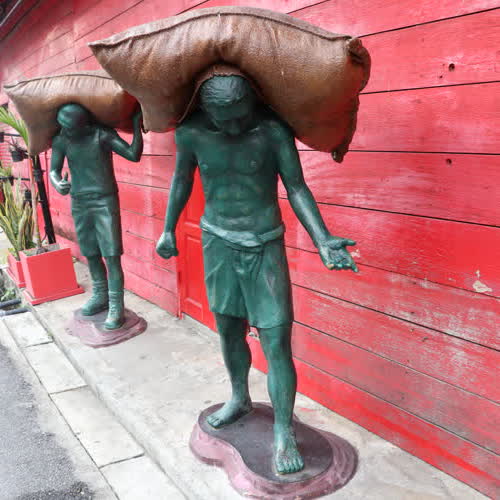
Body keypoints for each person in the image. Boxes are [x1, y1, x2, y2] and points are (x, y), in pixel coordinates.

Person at [156, 75, 357, 474]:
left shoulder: (271, 131)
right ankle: (239, 398)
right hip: (217, 241)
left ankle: (284, 429)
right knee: (229, 328)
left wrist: (322, 238)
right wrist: (167, 229)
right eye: (223, 119)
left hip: (264, 244)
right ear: (205, 109)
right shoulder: (192, 133)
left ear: (253, 104)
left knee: (276, 338)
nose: (234, 127)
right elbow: (181, 179)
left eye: (240, 116)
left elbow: (296, 187)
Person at [50, 103, 143, 330]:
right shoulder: (61, 140)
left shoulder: (102, 135)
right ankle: (100, 294)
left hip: (104, 201)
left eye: (70, 127)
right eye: (63, 126)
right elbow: (54, 170)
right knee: (90, 252)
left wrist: (136, 126)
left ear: (84, 125)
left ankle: (116, 304)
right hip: (79, 202)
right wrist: (58, 182)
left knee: (111, 255)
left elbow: (133, 154)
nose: (65, 130)